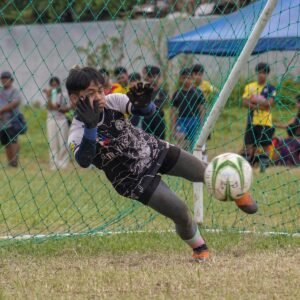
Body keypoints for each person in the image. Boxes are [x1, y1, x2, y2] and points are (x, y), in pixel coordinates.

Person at [66, 66, 258, 261]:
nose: (99, 96)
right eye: (91, 93)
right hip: (133, 178)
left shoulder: (113, 101)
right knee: (180, 211)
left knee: (206, 172)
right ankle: (199, 248)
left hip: (154, 150)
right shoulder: (76, 133)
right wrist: (90, 127)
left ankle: (237, 192)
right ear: (75, 99)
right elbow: (84, 160)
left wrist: (144, 103)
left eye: (100, 90)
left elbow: (145, 111)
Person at [242, 63, 276, 165]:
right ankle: (248, 163)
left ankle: (264, 165)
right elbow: (244, 102)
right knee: (249, 143)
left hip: (266, 121)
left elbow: (269, 104)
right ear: (256, 73)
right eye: (260, 72)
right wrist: (261, 104)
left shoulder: (271, 88)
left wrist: (253, 100)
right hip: (252, 120)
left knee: (265, 144)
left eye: (264, 73)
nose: (262, 75)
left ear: (267, 74)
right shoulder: (249, 86)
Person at [171, 67, 206, 151]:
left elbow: (201, 109)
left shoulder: (198, 92)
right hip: (181, 120)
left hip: (194, 120)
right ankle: (180, 158)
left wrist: (202, 124)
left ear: (192, 79)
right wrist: (173, 127)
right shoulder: (177, 93)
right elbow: (173, 111)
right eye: (184, 78)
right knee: (180, 140)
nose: (186, 80)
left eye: (189, 78)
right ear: (180, 79)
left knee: (194, 143)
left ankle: (194, 158)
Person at [43, 76, 70, 170]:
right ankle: (54, 164)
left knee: (63, 142)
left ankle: (63, 163)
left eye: (56, 85)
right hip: (51, 119)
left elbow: (67, 109)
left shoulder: (64, 95)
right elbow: (50, 107)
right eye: (52, 85)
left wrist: (58, 107)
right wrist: (49, 97)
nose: (54, 87)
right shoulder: (49, 95)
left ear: (59, 85)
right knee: (52, 142)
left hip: (62, 120)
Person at [0, 71, 22, 167]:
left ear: (11, 80)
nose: (4, 80)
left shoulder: (15, 91)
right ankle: (10, 162)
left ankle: (14, 162)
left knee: (13, 141)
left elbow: (14, 103)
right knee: (5, 142)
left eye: (6, 78)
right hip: (2, 122)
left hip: (12, 121)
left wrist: (1, 110)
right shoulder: (0, 91)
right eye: (2, 78)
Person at [142, 66, 167, 140]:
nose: (152, 79)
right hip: (146, 121)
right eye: (150, 77)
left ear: (159, 78)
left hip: (159, 121)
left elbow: (161, 105)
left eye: (155, 77)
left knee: (160, 143)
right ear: (147, 78)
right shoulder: (144, 91)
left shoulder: (162, 92)